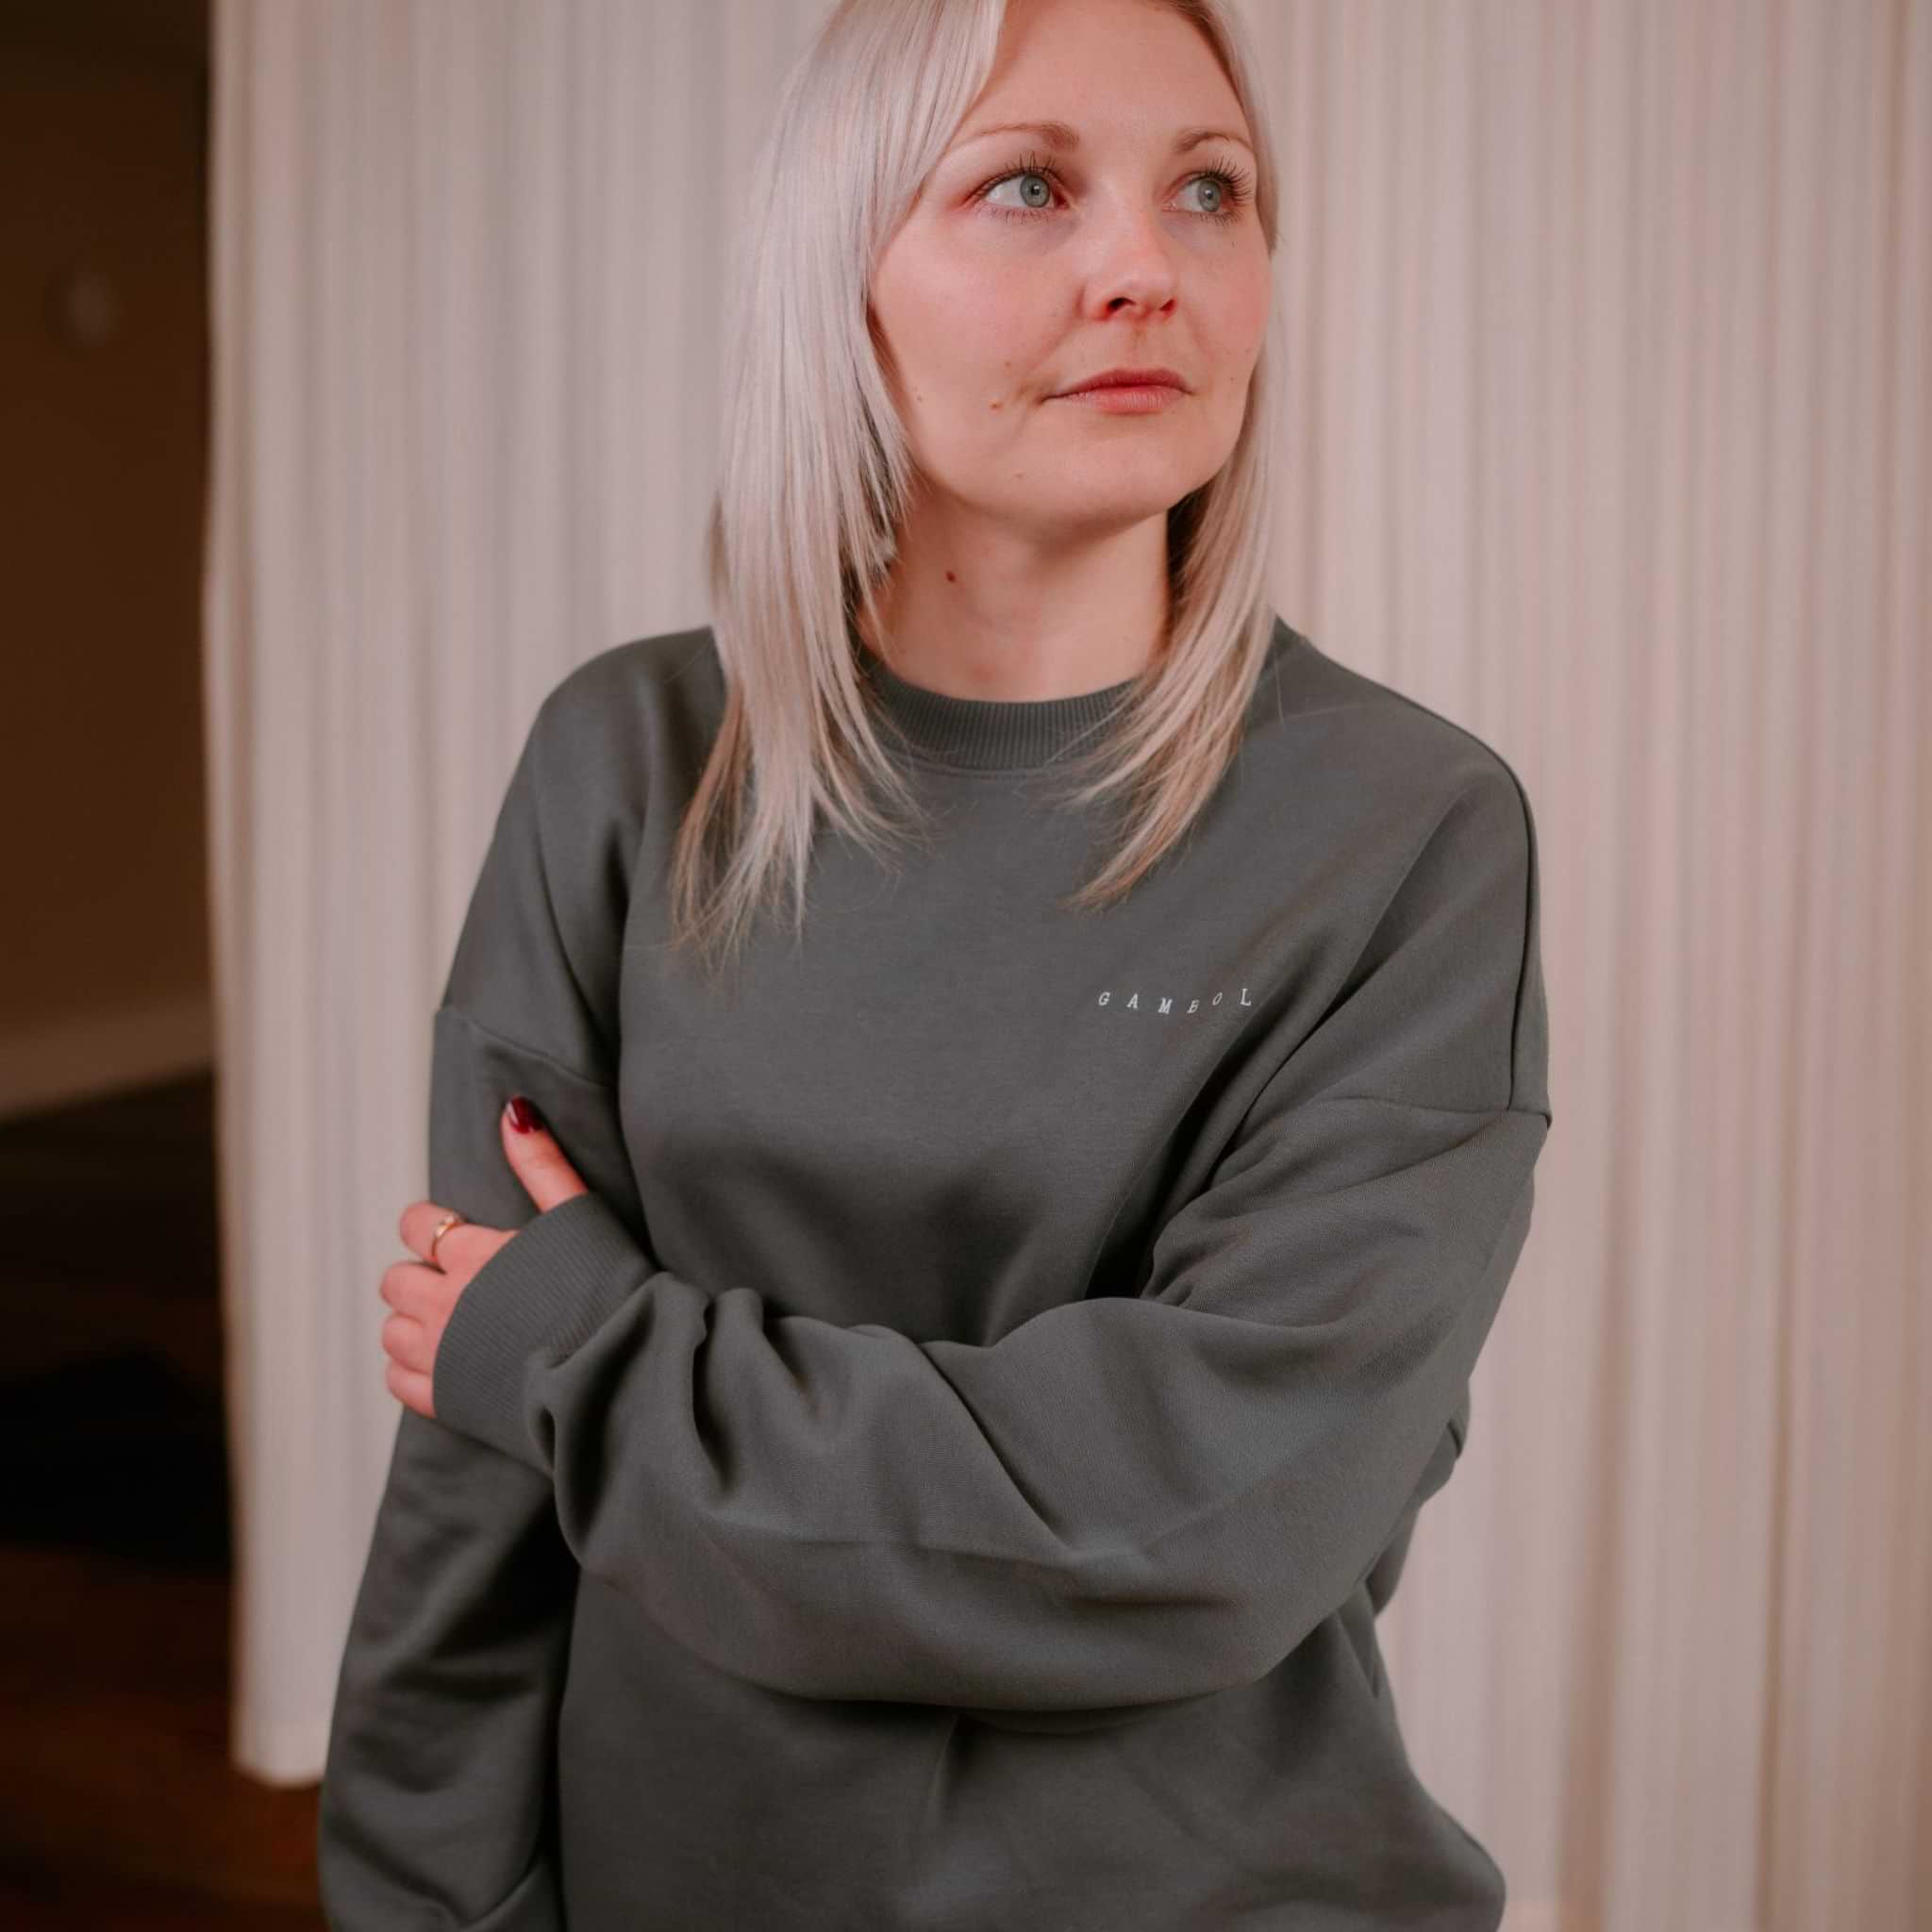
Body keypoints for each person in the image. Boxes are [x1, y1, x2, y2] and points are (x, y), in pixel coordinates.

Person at [318, 0, 1553, 1925]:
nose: (1146, 267)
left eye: (1208, 191)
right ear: (840, 279)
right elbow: (474, 1500)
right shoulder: (628, 765)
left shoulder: (1401, 829)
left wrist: (584, 1359)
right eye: (1028, 186)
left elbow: (1179, 1522)